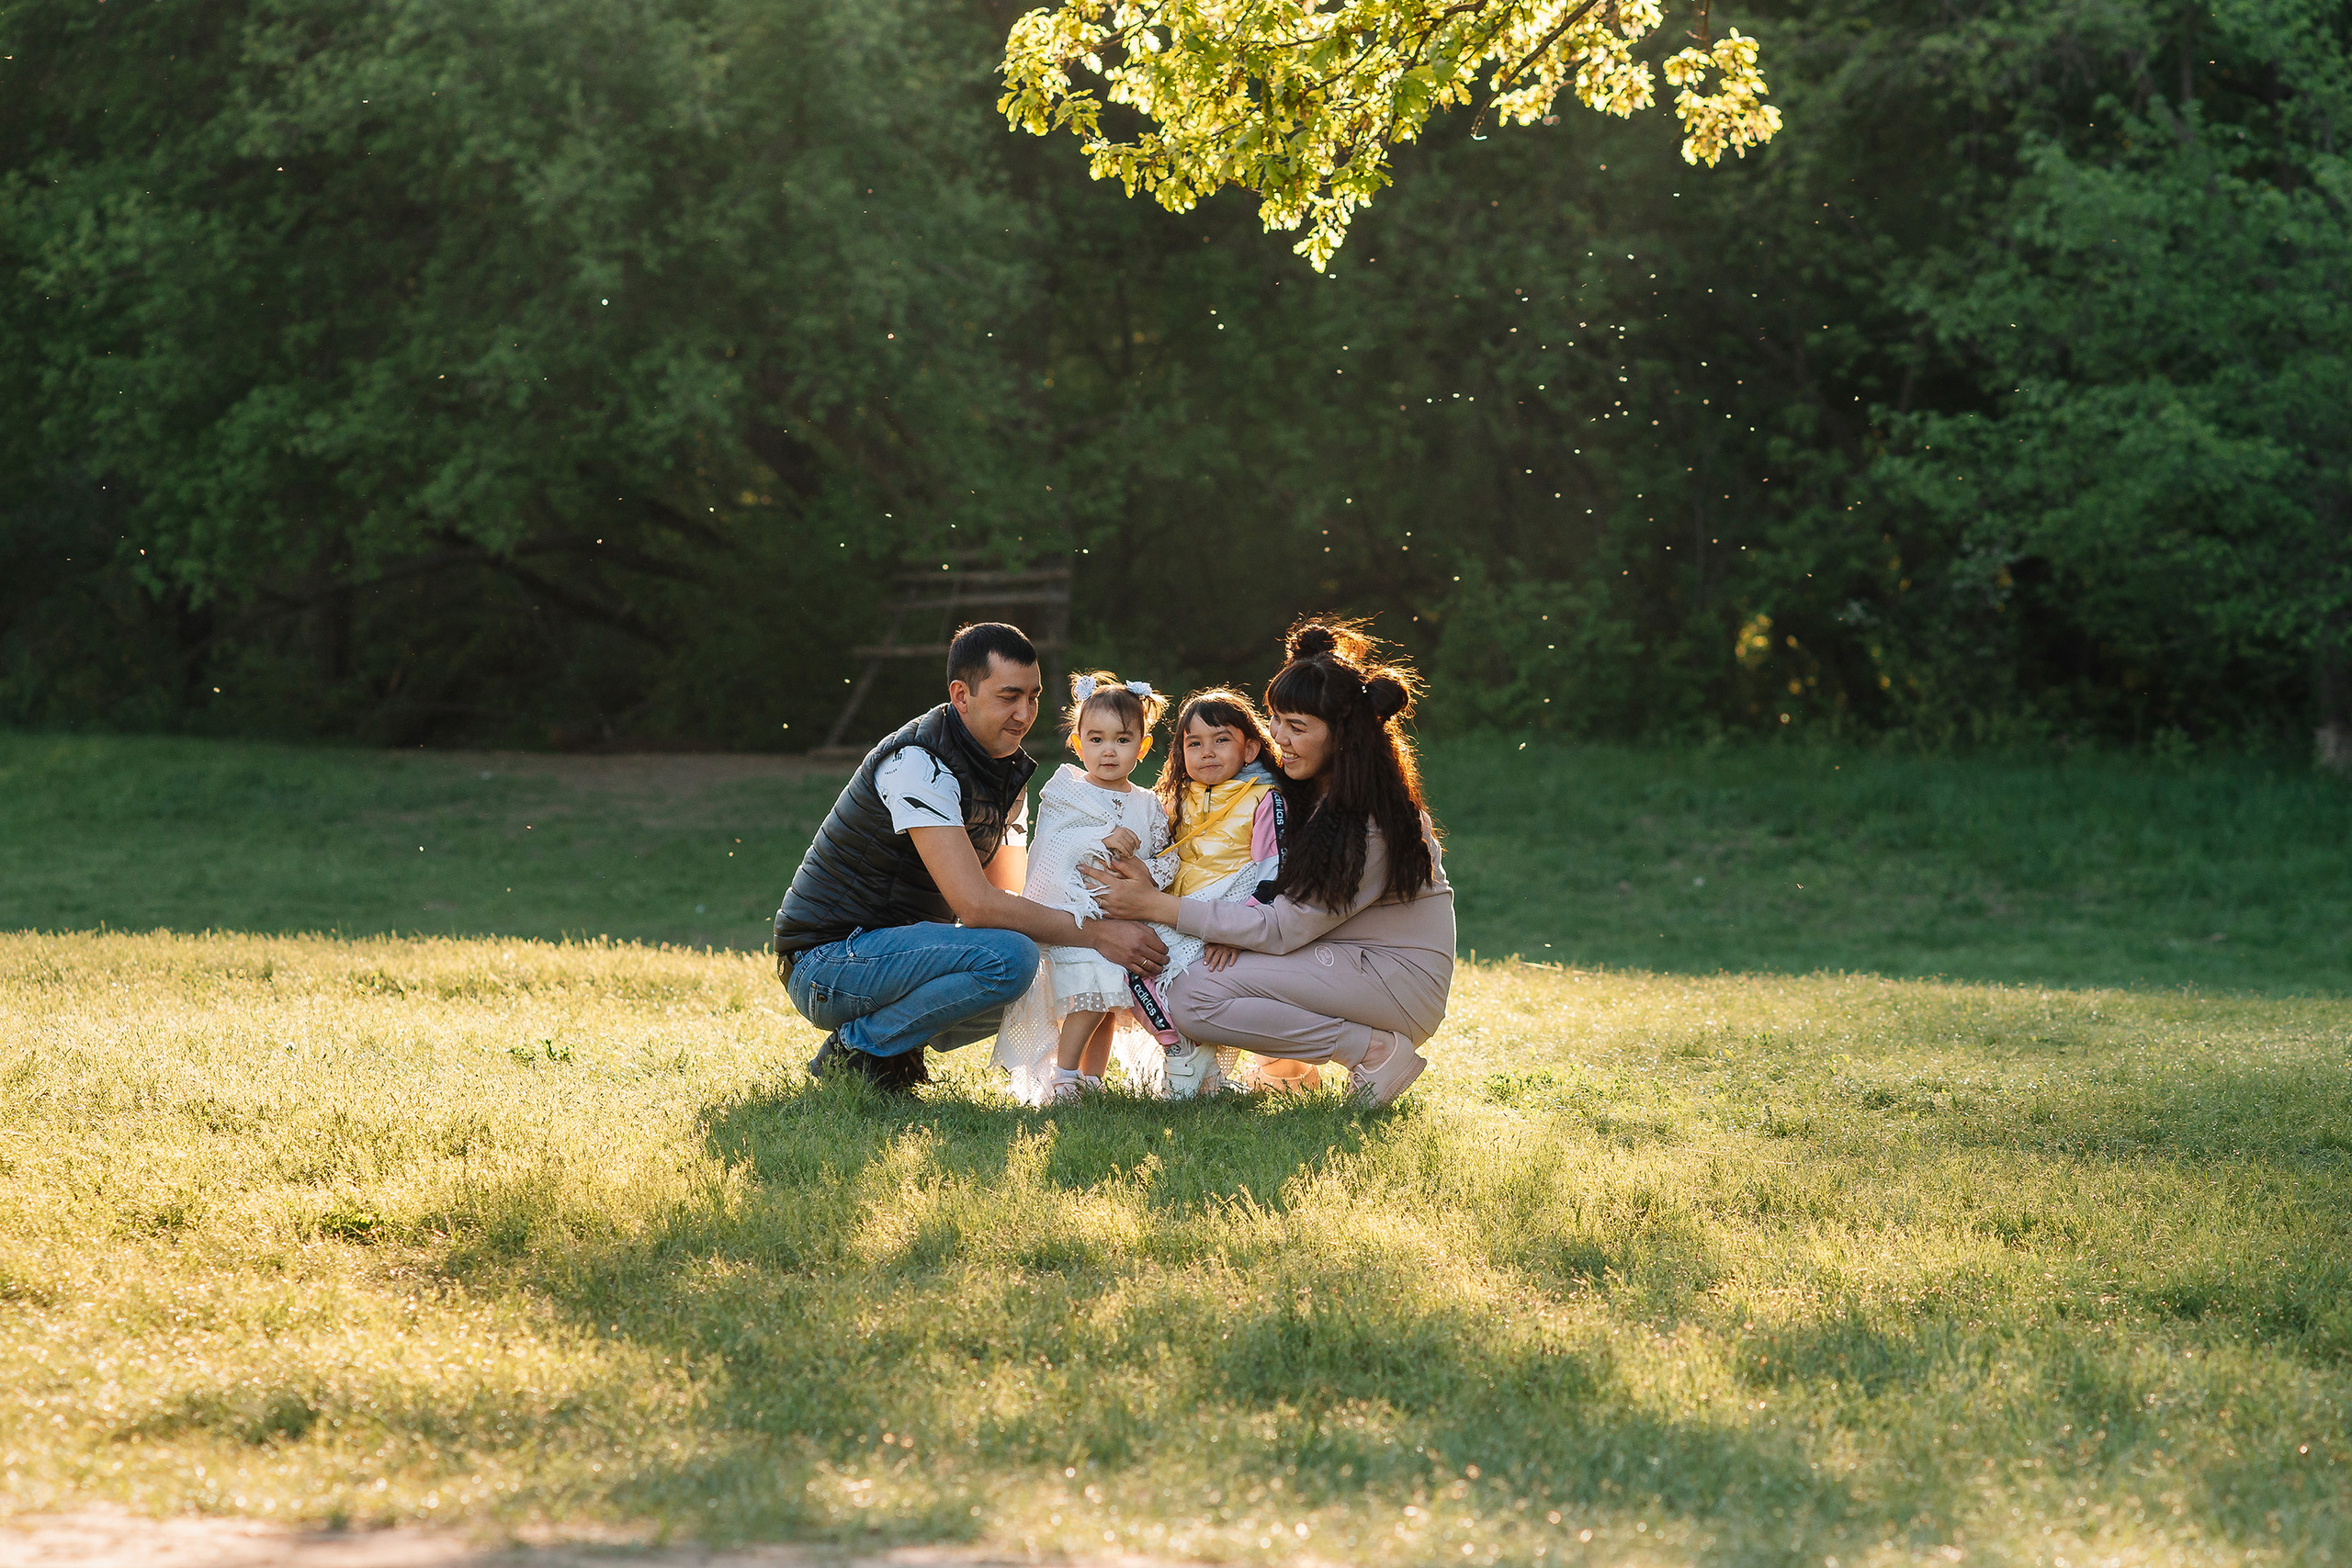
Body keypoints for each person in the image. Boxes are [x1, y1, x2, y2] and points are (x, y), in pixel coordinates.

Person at [772, 623, 1168, 1097]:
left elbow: (1014, 896)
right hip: (828, 962)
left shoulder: (1007, 771)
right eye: (1008, 697)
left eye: (1034, 697)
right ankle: (858, 1052)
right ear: (961, 695)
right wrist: (1101, 934)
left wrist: (1098, 917)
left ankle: (898, 1050)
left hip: (902, 953)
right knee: (1013, 956)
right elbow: (977, 906)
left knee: (1044, 955)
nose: (1025, 714)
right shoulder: (917, 763)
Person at [1087, 619, 1452, 1109]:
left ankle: (1376, 1051)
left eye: (1297, 727)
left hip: (1394, 981)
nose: (1278, 736)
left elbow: (1284, 927)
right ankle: (1286, 1070)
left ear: (1343, 737)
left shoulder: (1370, 823)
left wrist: (1157, 906)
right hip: (1343, 961)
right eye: (1276, 719)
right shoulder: (1304, 795)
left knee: (1193, 997)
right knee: (1193, 983)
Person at [990, 671, 1178, 1105]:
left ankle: (1091, 1081)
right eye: (1095, 739)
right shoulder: (1067, 790)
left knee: (1107, 1006)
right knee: (1089, 1000)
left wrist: (1146, 872)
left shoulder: (1148, 804)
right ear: (1078, 745)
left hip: (1123, 920)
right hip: (1077, 920)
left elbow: (1167, 858)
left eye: (1122, 739)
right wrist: (1100, 838)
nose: (1108, 750)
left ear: (1143, 747)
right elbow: (1053, 846)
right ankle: (1064, 1075)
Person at [1119, 688, 1287, 1100]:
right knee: (1129, 967)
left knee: (1174, 978)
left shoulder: (1265, 799)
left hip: (1227, 914)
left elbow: (1272, 870)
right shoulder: (1171, 801)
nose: (1207, 752)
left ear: (1250, 749)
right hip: (1175, 909)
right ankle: (1185, 1054)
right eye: (1194, 743)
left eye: (1221, 740)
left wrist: (1237, 930)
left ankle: (1187, 1058)